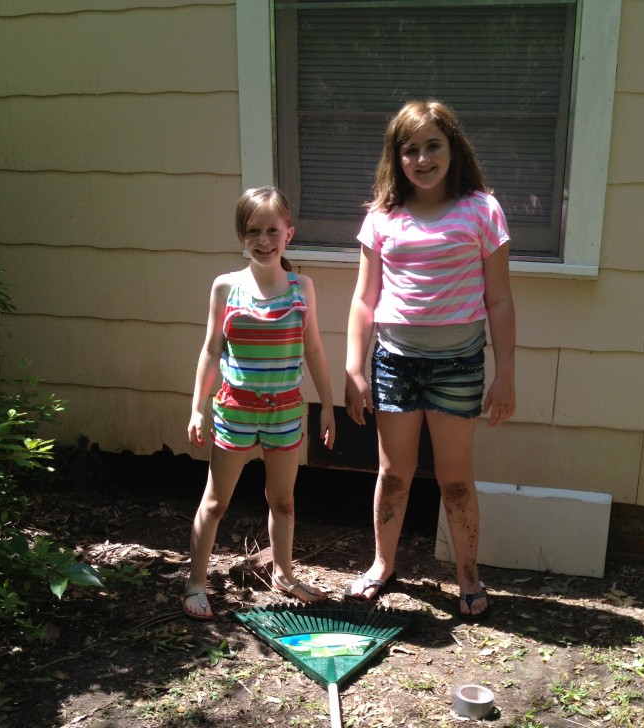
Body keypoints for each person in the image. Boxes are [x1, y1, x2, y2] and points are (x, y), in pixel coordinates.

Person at [344, 99, 516, 620]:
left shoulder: (482, 210)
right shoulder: (382, 216)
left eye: (432, 146)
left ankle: (468, 576)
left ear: (453, 147)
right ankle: (382, 564)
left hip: (458, 367)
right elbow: (363, 298)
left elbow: (500, 300)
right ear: (396, 158)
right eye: (409, 149)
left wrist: (505, 372)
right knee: (393, 473)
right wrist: (354, 367)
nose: (421, 159)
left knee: (455, 478)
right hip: (394, 363)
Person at [183, 187, 335, 619]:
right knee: (216, 502)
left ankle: (283, 573)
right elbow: (211, 350)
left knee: (282, 501)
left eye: (273, 230)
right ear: (241, 237)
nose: (264, 240)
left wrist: (327, 404)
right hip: (234, 410)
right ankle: (195, 583)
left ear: (289, 232)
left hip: (287, 412)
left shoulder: (302, 287)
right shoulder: (225, 288)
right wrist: (198, 406)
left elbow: (316, 351)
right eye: (254, 231)